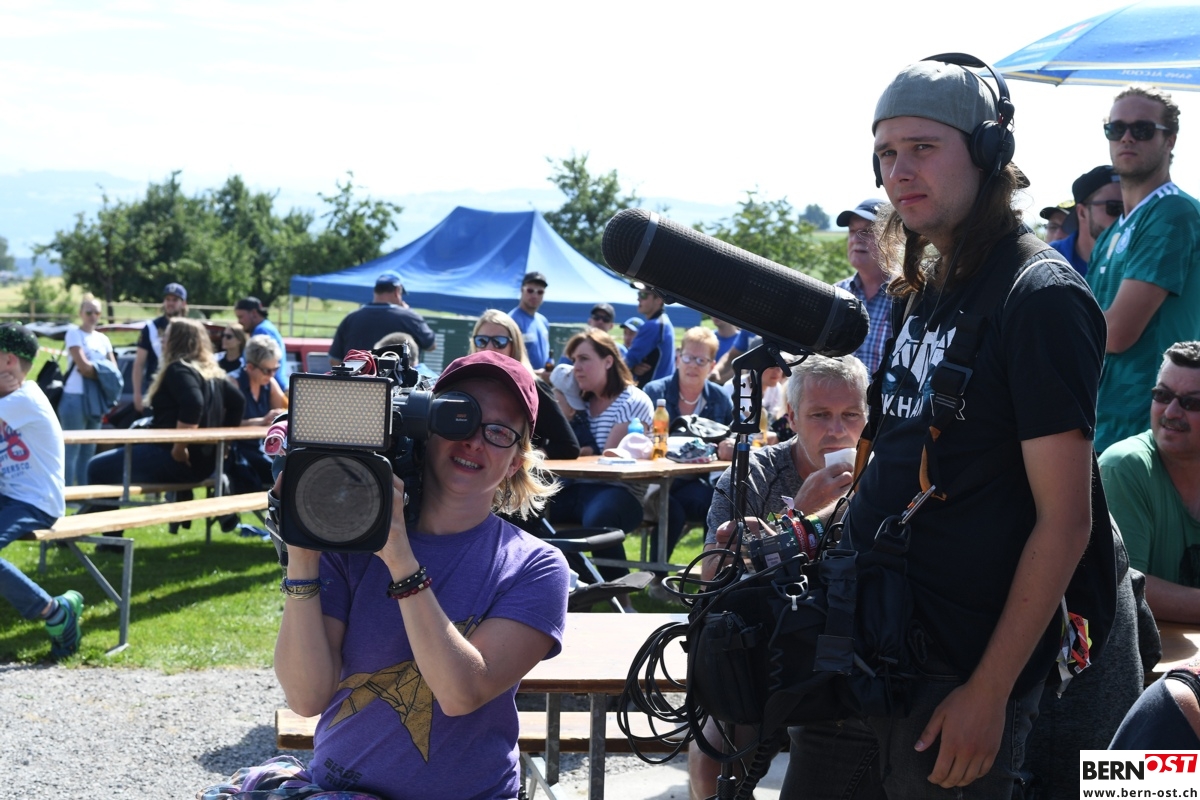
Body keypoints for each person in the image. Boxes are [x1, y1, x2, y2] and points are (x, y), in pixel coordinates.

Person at [837, 56, 1105, 795]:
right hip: (867, 646)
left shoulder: (1040, 298)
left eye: (923, 147)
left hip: (956, 674)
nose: (899, 172)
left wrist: (990, 692)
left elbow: (1066, 521)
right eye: (887, 153)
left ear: (989, 154)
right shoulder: (923, 286)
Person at [267, 350, 569, 799]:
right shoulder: (351, 546)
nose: (474, 441)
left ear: (515, 462)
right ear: (424, 430)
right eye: (459, 418)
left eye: (499, 432)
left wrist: (400, 558)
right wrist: (303, 554)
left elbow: (461, 693)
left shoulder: (535, 566)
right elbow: (305, 697)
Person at [690, 354, 871, 800]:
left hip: (849, 648)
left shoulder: (883, 472)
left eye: (851, 415)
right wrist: (800, 514)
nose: (837, 430)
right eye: (820, 415)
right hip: (766, 643)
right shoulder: (754, 473)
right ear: (791, 417)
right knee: (713, 757)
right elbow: (710, 577)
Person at [1087, 85, 1200, 453]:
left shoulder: (1172, 212)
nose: (1127, 138)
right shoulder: (1115, 229)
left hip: (1151, 427)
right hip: (1105, 421)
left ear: (1171, 140)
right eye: (1115, 128)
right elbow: (1089, 320)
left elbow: (1116, 332)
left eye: (1143, 129)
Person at [1100, 341, 1200, 623]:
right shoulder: (1124, 467)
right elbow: (1126, 585)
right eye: (1162, 395)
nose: (1171, 413)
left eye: (1191, 403)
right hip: (1148, 649)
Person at [0, 323, 82, 659]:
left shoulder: (24, 399)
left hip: (35, 502)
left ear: (8, 360)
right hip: (10, 496)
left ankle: (56, 612)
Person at [546, 328, 653, 581]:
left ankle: (620, 594)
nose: (576, 367)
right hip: (573, 488)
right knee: (526, 509)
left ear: (608, 362)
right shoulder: (578, 402)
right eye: (574, 360)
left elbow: (607, 461)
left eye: (584, 359)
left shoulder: (633, 401)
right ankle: (571, 587)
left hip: (621, 493)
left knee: (599, 517)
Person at [88, 318, 244, 488]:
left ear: (177, 341)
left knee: (96, 468)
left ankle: (103, 508)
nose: (162, 340)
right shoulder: (213, 374)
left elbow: (194, 403)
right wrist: (225, 446)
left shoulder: (178, 369)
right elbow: (238, 402)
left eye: (166, 336)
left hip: (172, 457)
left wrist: (179, 447)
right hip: (204, 465)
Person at [643, 327, 733, 566]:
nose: (693, 365)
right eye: (688, 358)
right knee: (671, 509)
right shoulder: (654, 392)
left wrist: (728, 445)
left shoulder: (720, 398)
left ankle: (712, 571)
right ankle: (657, 576)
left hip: (694, 480)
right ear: (678, 357)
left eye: (701, 360)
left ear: (712, 365)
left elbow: (731, 436)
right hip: (653, 481)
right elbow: (640, 437)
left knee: (715, 503)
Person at [470, 309, 580, 460]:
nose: (489, 347)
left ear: (513, 346)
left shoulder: (534, 388)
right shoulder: (463, 384)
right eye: (481, 340)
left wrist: (519, 459)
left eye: (499, 341)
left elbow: (568, 446)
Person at [58, 294, 118, 486]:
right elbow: (83, 367)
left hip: (96, 401)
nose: (93, 316)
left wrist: (95, 370)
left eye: (97, 312)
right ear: (81, 313)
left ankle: (85, 494)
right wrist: (101, 371)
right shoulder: (74, 334)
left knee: (89, 451)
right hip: (74, 398)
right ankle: (67, 495)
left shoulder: (103, 339)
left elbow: (114, 371)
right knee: (71, 451)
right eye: (89, 312)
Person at [329, 270, 436, 365]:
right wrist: (409, 312)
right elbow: (431, 346)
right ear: (397, 291)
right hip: (397, 381)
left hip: (357, 380)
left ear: (375, 291)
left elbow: (334, 360)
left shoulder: (350, 318)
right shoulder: (410, 317)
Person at [835, 198, 892, 374]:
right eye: (852, 231)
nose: (856, 239)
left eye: (867, 232)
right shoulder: (835, 296)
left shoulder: (910, 298)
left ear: (892, 239)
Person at [229, 335, 288, 490]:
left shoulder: (269, 383)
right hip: (237, 451)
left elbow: (285, 412)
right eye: (267, 370)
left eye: (276, 369)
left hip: (261, 449)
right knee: (284, 475)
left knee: (291, 471)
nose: (272, 374)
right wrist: (262, 420)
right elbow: (225, 424)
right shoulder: (233, 383)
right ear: (250, 367)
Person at [1049, 165, 1123, 277]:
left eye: (1132, 208)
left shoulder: (1137, 256)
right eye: (1115, 207)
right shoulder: (1049, 261)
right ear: (1082, 212)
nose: (1124, 217)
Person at [132, 281, 188, 414]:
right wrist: (137, 394)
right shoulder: (151, 328)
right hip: (156, 390)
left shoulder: (190, 328)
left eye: (175, 300)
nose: (170, 303)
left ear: (183, 303)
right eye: (167, 299)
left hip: (184, 389)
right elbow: (139, 363)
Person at [235, 296, 292, 392]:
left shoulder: (262, 330)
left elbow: (264, 364)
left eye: (241, 317)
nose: (239, 322)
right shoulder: (265, 327)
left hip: (269, 388)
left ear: (254, 313)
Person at [624, 288, 675, 388]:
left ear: (659, 299)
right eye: (639, 294)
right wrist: (634, 368)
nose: (638, 299)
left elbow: (628, 361)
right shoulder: (663, 322)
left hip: (652, 391)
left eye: (643, 295)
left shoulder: (654, 325)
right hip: (660, 389)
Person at [509, 271, 551, 373]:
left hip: (541, 381)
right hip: (521, 380)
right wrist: (537, 374)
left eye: (540, 292)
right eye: (530, 290)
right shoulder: (512, 321)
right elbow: (509, 361)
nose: (535, 295)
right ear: (521, 290)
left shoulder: (543, 321)